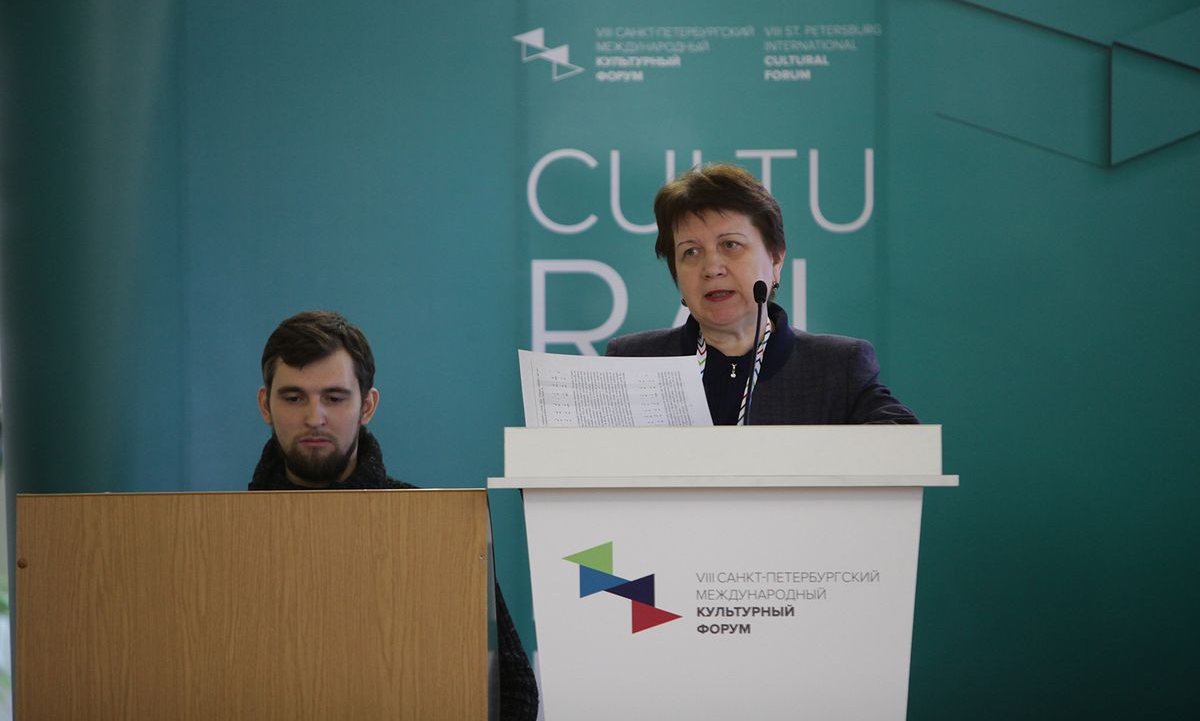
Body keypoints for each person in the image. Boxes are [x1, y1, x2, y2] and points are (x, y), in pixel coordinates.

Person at [248, 310, 539, 720]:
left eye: (334, 398)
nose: (314, 417)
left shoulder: (435, 528)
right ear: (266, 404)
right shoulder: (224, 535)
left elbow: (512, 689)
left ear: (367, 405)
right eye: (294, 398)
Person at [606, 163, 917, 425]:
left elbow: (904, 446)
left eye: (730, 245)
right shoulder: (632, 363)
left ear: (776, 259)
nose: (711, 268)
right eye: (691, 252)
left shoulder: (837, 367)